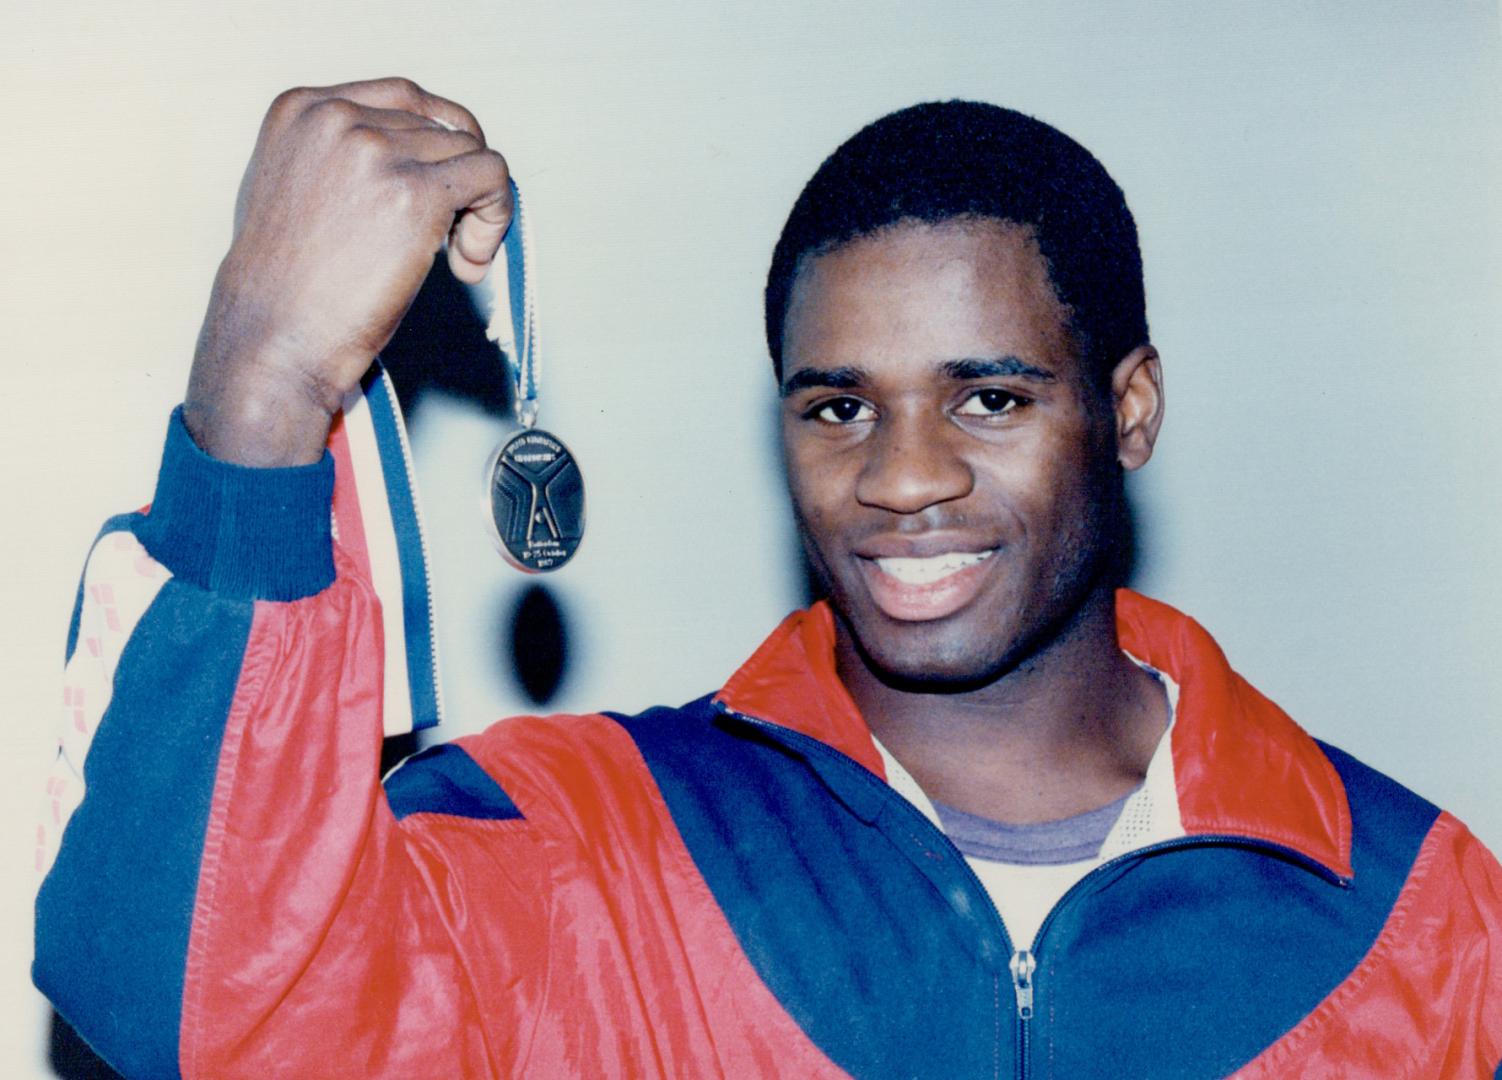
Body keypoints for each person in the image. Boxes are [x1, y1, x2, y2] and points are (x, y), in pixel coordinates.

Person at [33, 78, 1501, 1079]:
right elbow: (205, 1017)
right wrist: (265, 382)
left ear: (1125, 411)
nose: (899, 477)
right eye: (835, 405)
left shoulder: (1416, 910)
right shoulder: (586, 841)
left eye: (987, 398)